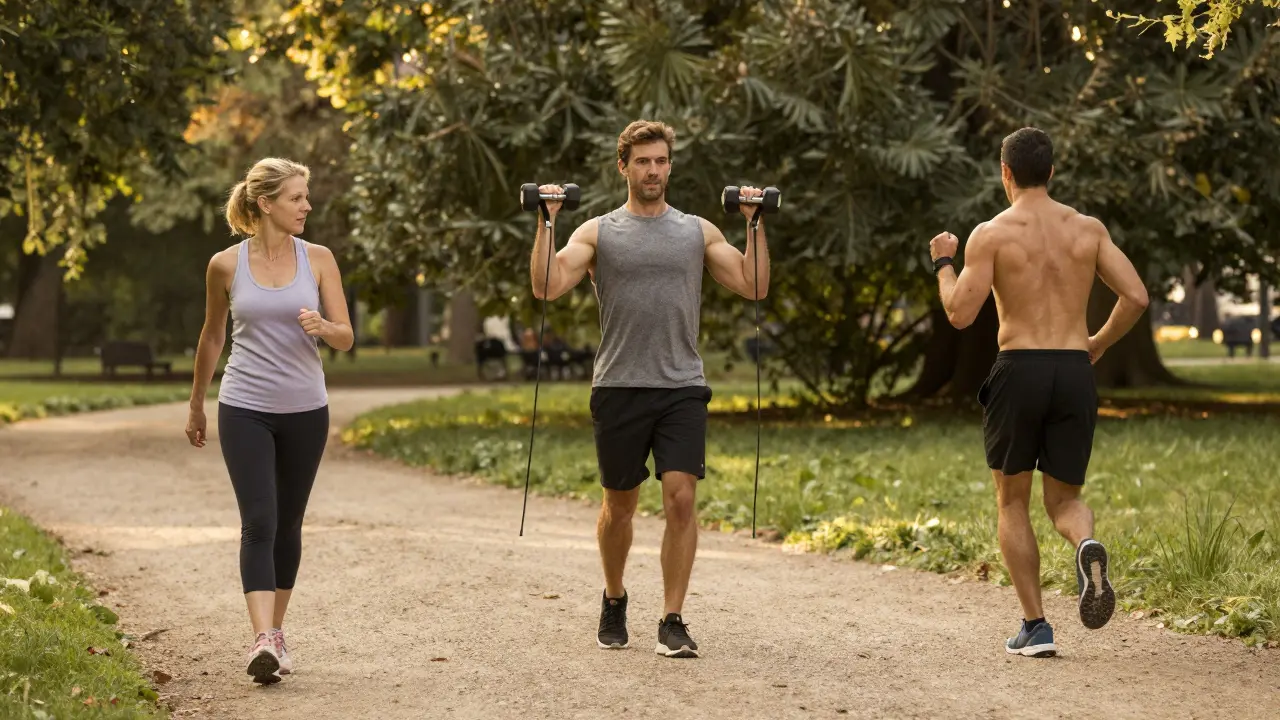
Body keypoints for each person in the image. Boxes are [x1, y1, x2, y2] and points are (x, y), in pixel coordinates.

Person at [529, 120, 771, 659]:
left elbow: (753, 284)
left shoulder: (697, 231)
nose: (653, 170)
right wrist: (546, 221)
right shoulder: (598, 232)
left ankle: (672, 619)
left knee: (681, 498)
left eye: (661, 161)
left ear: (670, 166)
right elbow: (547, 284)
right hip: (618, 384)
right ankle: (614, 597)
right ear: (624, 168)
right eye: (642, 162)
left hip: (682, 385)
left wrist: (755, 225)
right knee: (619, 506)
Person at [930, 127, 1149, 658]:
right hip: (1073, 370)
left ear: (1005, 172)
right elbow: (1137, 297)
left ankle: (1036, 627)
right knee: (1064, 500)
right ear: (1051, 171)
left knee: (1012, 500)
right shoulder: (1088, 229)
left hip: (1019, 369)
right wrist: (1096, 342)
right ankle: (1085, 544)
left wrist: (943, 263)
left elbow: (959, 313)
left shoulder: (991, 234)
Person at [185, 158, 354, 683]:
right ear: (265, 203)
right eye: (296, 198)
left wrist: (323, 326)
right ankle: (262, 638)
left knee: (289, 522)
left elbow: (346, 336)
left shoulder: (319, 259)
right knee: (259, 520)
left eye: (305, 197)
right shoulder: (225, 265)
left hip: (306, 409)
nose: (306, 206)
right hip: (244, 406)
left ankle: (276, 634)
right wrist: (196, 403)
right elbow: (213, 335)